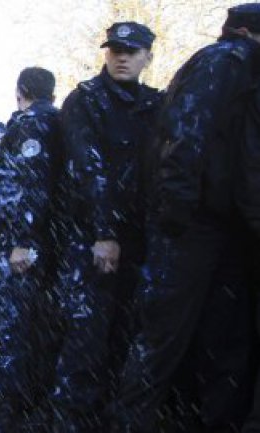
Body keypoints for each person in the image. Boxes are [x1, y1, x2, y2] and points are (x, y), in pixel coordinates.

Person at [111, 5, 260, 432]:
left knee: (220, 341)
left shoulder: (237, 66)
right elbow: (184, 135)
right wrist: (176, 214)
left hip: (219, 225)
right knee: (163, 340)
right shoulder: (224, 61)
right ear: (248, 33)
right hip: (194, 225)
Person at [51, 22, 162, 432]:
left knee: (127, 339)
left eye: (132, 51)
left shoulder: (156, 103)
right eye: (115, 49)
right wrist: (105, 232)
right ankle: (70, 422)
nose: (121, 57)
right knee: (85, 339)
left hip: (141, 239)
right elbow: (88, 169)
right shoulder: (86, 100)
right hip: (93, 238)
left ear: (148, 57)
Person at [0, 67, 62, 432]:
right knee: (7, 328)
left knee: (8, 331)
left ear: (19, 90)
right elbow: (3, 186)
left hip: (18, 245)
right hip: (8, 239)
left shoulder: (34, 124)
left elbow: (32, 184)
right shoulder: (36, 121)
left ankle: (4, 419)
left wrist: (22, 240)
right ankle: (5, 413)